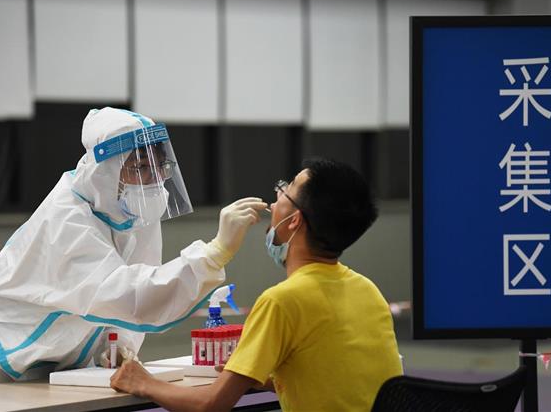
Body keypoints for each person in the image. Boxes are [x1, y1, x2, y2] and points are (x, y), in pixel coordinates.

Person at [0, 107, 267, 386]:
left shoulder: (128, 206)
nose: (154, 179)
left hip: (59, 366)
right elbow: (128, 294)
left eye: (160, 165)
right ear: (106, 171)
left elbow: (138, 281)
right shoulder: (65, 221)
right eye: (140, 167)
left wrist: (119, 344)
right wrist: (214, 253)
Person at [110, 158, 403, 411]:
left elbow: (210, 404)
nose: (275, 199)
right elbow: (340, 381)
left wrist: (143, 382)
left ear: (294, 221)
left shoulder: (282, 301)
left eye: (286, 190)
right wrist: (272, 378)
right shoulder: (367, 290)